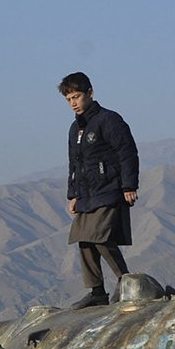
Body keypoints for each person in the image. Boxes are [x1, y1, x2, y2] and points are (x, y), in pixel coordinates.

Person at [58, 71, 139, 307]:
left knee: (99, 236)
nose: (73, 103)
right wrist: (72, 195)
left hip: (109, 188)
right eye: (69, 99)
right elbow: (74, 164)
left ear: (90, 93)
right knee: (83, 240)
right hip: (87, 194)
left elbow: (127, 152)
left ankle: (126, 281)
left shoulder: (109, 120)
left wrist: (129, 185)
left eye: (77, 96)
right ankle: (97, 291)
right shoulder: (75, 129)